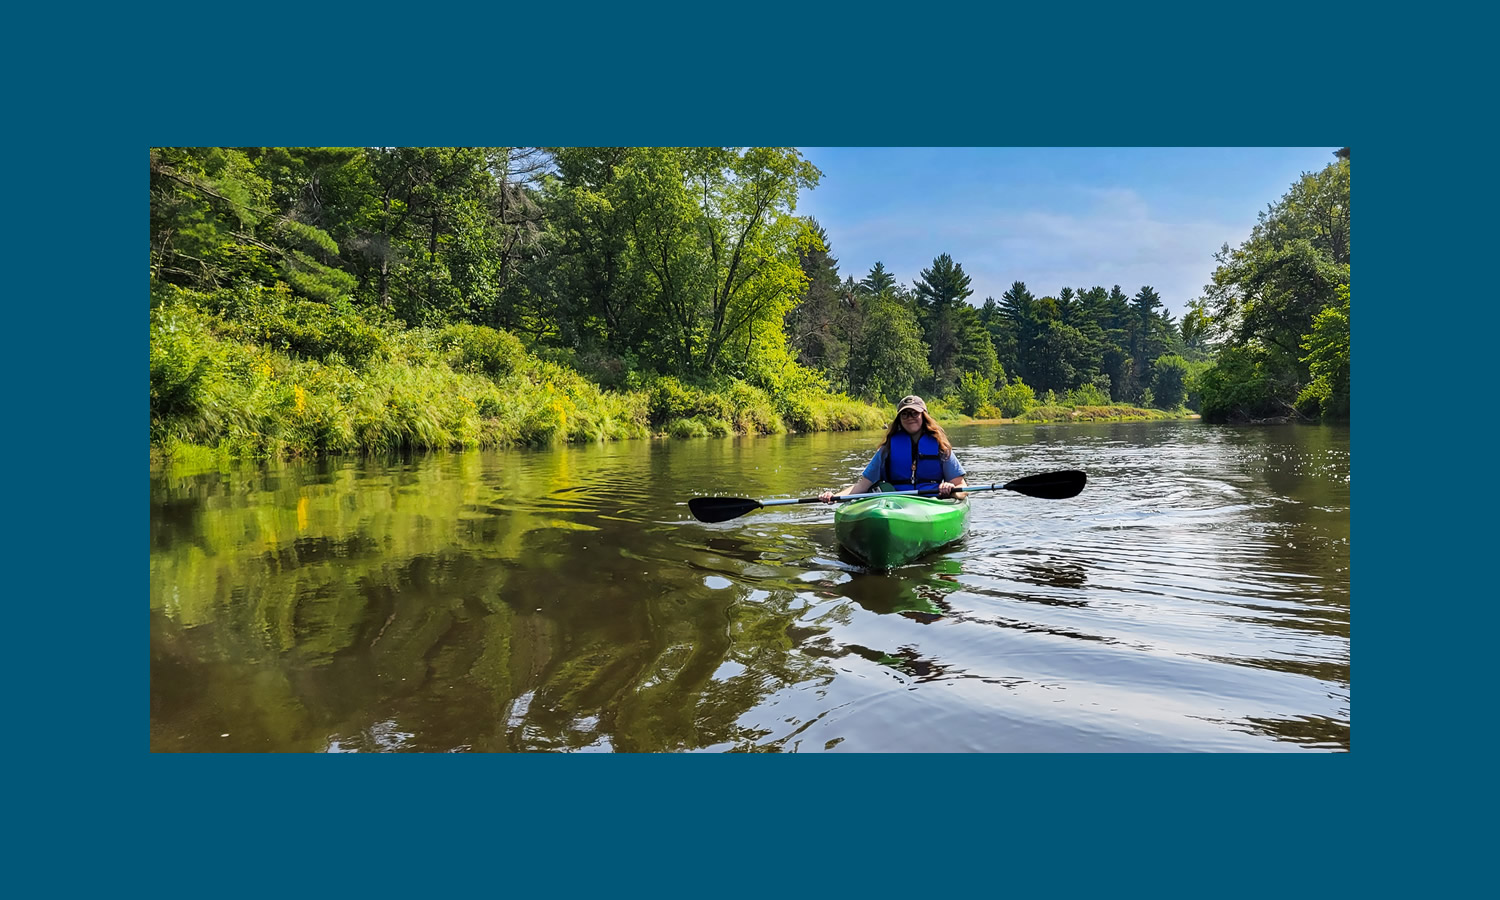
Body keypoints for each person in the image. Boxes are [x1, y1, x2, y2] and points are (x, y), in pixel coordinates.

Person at [819, 395, 967, 503]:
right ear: (899, 420)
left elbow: (961, 486)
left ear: (924, 416)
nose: (910, 417)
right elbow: (862, 486)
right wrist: (835, 497)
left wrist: (951, 489)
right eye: (905, 414)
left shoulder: (940, 447)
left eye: (914, 413)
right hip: (896, 504)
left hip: (932, 501)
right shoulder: (887, 449)